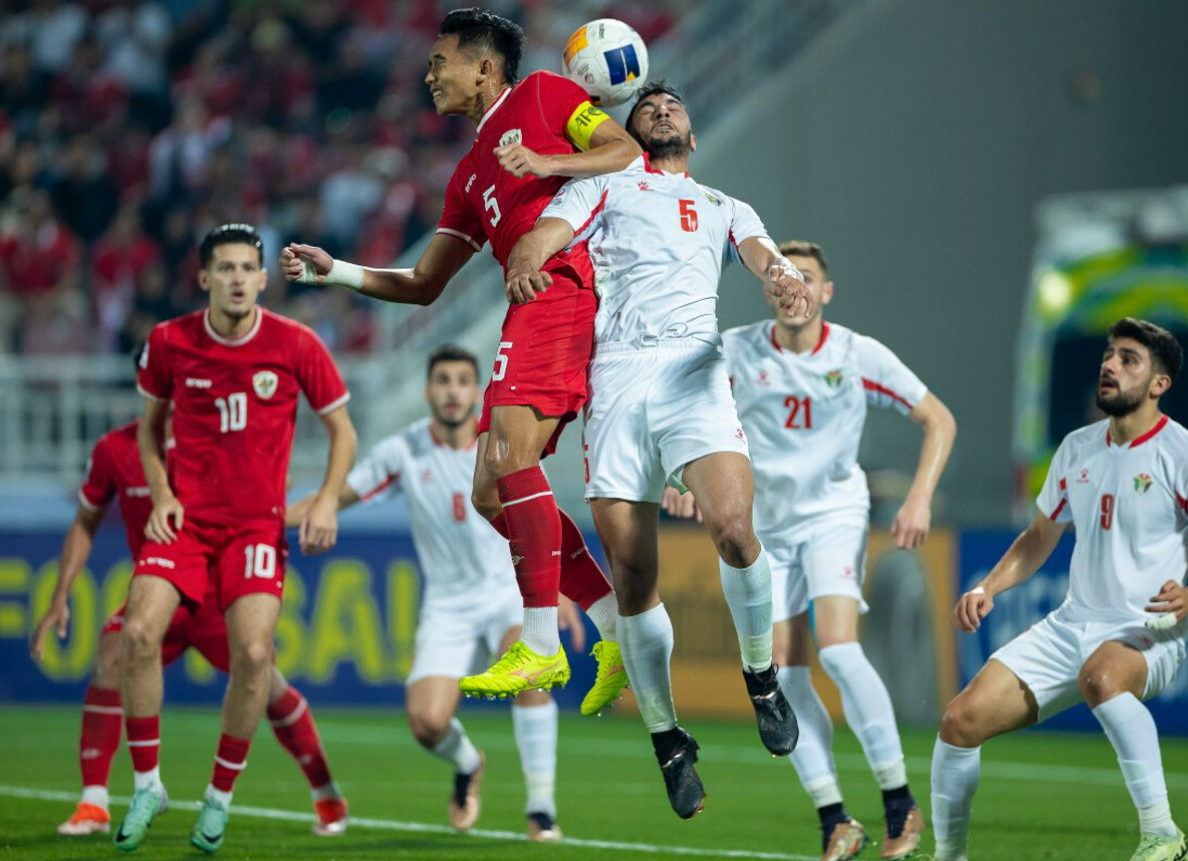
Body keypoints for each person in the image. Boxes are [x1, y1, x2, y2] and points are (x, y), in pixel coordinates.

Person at [280, 7, 633, 708]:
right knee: (488, 489)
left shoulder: (544, 95)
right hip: (526, 305)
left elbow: (623, 151)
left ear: (484, 67)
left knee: (510, 463)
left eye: (440, 61)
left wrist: (547, 161)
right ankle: (610, 625)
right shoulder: (470, 172)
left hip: (563, 289)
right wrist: (335, 271)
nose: (428, 73)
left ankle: (539, 645)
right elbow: (422, 283)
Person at [504, 81, 812, 820]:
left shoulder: (725, 205)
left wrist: (786, 281)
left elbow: (765, 255)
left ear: (693, 135)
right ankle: (668, 739)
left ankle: (761, 675)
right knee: (635, 574)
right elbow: (546, 229)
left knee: (735, 529)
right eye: (646, 107)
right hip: (614, 377)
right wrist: (527, 257)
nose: (662, 109)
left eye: (673, 105)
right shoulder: (605, 184)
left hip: (690, 370)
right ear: (632, 132)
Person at [29, 352, 348, 839]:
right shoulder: (116, 449)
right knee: (113, 650)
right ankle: (94, 802)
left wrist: (312, 509)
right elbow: (86, 521)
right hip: (162, 593)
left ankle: (326, 792)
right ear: (146, 383)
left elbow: (268, 500)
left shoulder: (223, 443)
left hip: (221, 599)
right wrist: (60, 595)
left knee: (266, 681)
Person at [708, 240, 955, 861]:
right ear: (770, 289)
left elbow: (939, 420)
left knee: (840, 651)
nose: (794, 289)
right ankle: (834, 818)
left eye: (807, 279)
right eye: (784, 278)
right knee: (784, 677)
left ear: (826, 292)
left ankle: (900, 802)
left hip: (833, 516)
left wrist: (919, 497)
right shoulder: (735, 351)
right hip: (764, 529)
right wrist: (687, 481)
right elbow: (681, 416)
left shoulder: (856, 354)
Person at [115, 223, 356, 853]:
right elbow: (148, 431)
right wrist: (163, 494)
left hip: (255, 526)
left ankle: (218, 799)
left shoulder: (297, 344)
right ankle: (148, 785)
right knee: (135, 633)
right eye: (225, 269)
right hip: (187, 521)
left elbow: (345, 434)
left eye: (249, 268)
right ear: (204, 278)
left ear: (263, 276)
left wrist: (327, 499)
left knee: (254, 657)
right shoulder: (168, 342)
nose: (239, 279)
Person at [288, 344, 576, 842]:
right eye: (443, 381)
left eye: (463, 382)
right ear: (428, 391)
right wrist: (263, 518)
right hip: (447, 605)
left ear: (477, 391)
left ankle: (541, 809)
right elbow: (334, 497)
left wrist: (563, 588)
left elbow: (544, 523)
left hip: (508, 592)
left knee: (529, 675)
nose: (452, 392)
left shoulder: (507, 447)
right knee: (425, 720)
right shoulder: (404, 451)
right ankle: (468, 763)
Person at [930, 318, 1187, 861]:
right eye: (1109, 355)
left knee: (1102, 676)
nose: (1110, 365)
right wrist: (989, 586)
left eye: (1128, 360)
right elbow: (1039, 536)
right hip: (1072, 624)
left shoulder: (1178, 451)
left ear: (1159, 384)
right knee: (958, 722)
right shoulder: (1077, 448)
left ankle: (1164, 834)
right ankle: (948, 857)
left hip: (1151, 629)